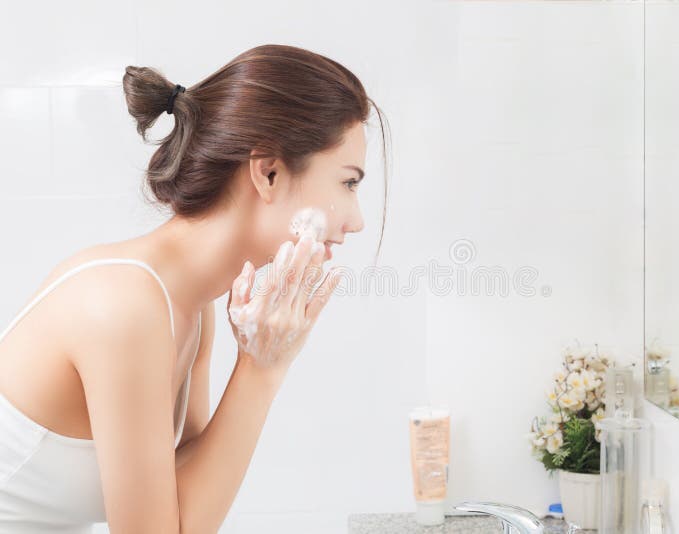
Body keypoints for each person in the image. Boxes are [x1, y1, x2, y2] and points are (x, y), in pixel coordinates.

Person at [0, 43, 388, 533]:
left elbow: (187, 509)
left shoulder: (188, 304)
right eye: (348, 183)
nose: (356, 221)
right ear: (267, 172)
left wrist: (264, 362)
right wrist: (261, 370)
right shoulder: (124, 305)